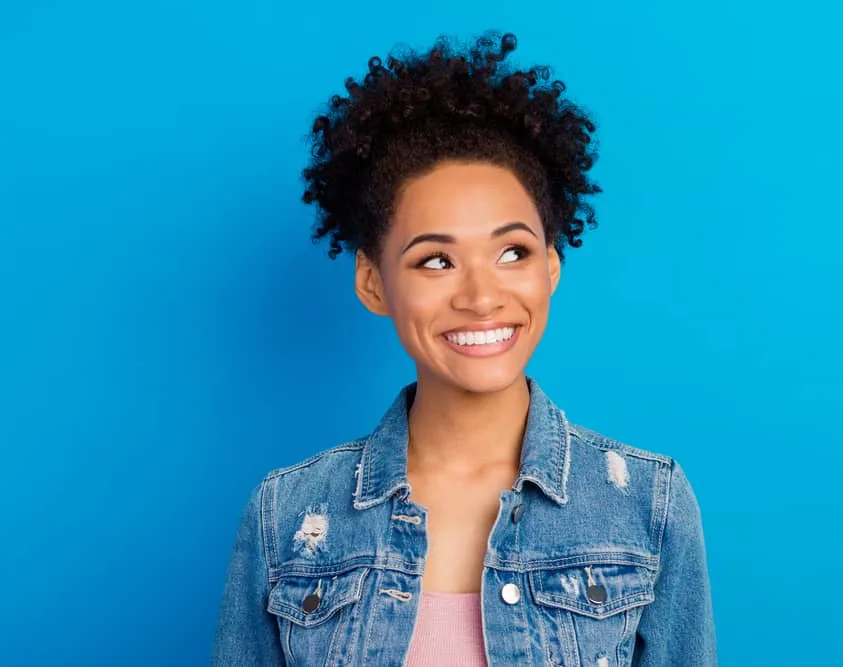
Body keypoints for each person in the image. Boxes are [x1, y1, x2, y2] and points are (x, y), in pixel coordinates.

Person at [211, 30, 716, 666]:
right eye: (436, 260)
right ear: (374, 282)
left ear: (551, 267)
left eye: (513, 252)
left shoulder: (648, 505)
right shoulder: (286, 517)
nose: (481, 296)